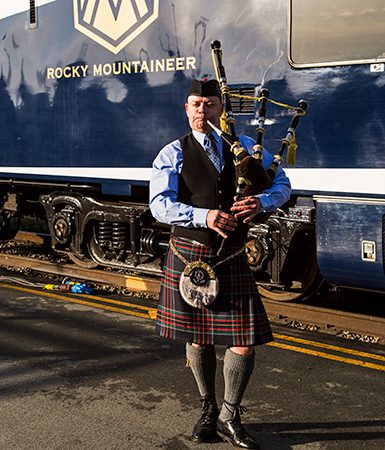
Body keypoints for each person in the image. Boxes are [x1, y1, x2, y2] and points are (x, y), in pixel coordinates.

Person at [149, 79, 291, 449]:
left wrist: (263, 203)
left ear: (220, 109)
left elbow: (282, 185)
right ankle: (208, 408)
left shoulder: (243, 147)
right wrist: (204, 215)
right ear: (186, 109)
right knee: (198, 338)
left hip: (231, 257)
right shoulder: (172, 153)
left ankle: (230, 415)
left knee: (243, 343)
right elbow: (159, 205)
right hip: (189, 256)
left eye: (209, 104)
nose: (202, 111)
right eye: (196, 104)